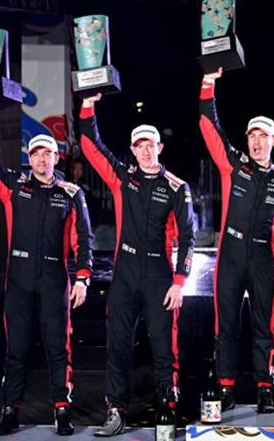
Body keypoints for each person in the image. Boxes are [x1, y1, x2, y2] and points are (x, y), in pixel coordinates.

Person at [0, 106, 93, 436]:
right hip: (19, 280)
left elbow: (84, 239)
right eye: (35, 153)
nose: (41, 159)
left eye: (47, 153)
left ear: (56, 157)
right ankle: (10, 413)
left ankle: (62, 412)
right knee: (16, 349)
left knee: (57, 348)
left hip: (54, 281)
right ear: (30, 157)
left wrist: (82, 278)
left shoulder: (72, 193)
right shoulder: (14, 185)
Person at [78, 94, 195, 437]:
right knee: (116, 345)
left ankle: (167, 410)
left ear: (160, 147)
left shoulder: (177, 187)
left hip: (160, 274)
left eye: (150, 145)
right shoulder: (121, 177)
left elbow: (188, 237)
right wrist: (88, 106)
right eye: (139, 145)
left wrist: (179, 281)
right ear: (132, 150)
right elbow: (90, 146)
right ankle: (115, 411)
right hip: (125, 272)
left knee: (163, 346)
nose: (145, 151)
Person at [198, 68, 274, 413]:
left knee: (264, 324)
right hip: (229, 254)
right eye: (252, 136)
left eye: (263, 136)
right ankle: (226, 386)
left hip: (262, 257)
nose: (257, 142)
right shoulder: (232, 164)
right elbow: (209, 128)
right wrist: (208, 85)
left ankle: (265, 388)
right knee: (225, 323)